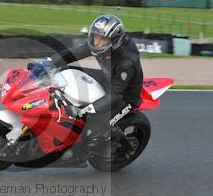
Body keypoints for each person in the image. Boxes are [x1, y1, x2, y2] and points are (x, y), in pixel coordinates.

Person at [35, 14, 144, 159]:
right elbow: (74, 53)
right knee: (66, 72)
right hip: (108, 78)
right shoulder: (101, 44)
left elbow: (116, 94)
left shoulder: (127, 62)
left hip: (123, 95)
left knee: (92, 129)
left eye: (102, 39)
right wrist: (48, 62)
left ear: (114, 40)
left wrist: (84, 110)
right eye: (94, 36)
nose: (97, 42)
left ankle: (121, 145)